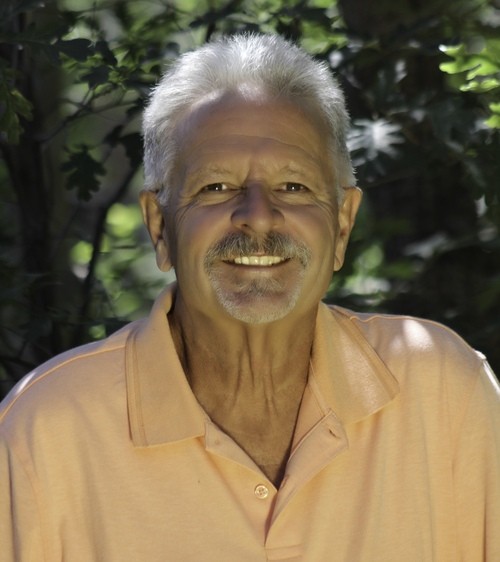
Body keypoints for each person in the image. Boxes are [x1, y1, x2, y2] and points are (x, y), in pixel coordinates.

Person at [1, 33, 499, 562]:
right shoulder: (45, 430)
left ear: (342, 225)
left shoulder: (442, 391)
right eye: (215, 188)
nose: (258, 217)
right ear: (160, 227)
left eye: (294, 187)